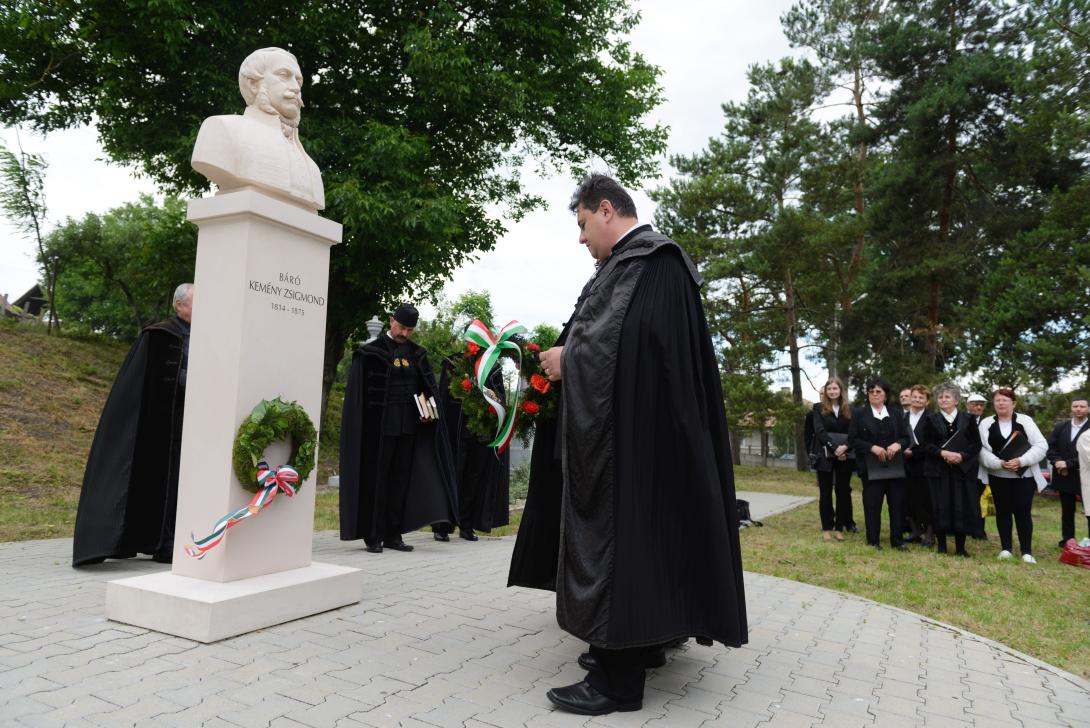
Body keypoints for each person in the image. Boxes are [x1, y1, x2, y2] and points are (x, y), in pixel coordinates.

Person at [536, 174, 746, 715]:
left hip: (634, 445)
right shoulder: (629, 267)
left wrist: (570, 360)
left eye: (583, 225)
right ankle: (640, 645)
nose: (581, 238)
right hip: (634, 438)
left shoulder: (652, 263)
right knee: (642, 546)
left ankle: (617, 683)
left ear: (606, 210)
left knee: (623, 544)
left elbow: (628, 353)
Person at [73, 283, 193, 566]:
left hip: (190, 423)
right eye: (198, 302)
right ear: (179, 305)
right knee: (161, 480)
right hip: (159, 425)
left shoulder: (204, 335)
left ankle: (170, 539)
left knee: (179, 482)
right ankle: (162, 544)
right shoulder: (160, 335)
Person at [339, 304, 457, 553]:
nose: (405, 333)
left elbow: (428, 390)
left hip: (409, 428)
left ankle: (394, 534)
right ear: (391, 321)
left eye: (410, 329)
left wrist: (429, 412)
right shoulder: (371, 353)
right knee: (377, 480)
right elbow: (359, 398)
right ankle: (373, 534)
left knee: (400, 482)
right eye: (402, 327)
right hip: (379, 431)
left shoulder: (417, 354)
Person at [192, 47, 324, 210]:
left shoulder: (312, 169)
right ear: (253, 83)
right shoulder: (221, 128)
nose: (296, 88)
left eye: (298, 81)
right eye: (284, 75)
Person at [433, 354, 510, 542]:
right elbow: (443, 395)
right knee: (452, 475)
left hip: (480, 430)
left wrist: (494, 396)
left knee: (474, 477)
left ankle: (466, 524)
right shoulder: (454, 363)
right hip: (455, 430)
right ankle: (443, 525)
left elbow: (501, 398)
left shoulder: (493, 367)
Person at [978, 388, 1048, 563]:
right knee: (1002, 512)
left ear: (1013, 403)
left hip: (1024, 476)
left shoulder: (1025, 421)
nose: (1001, 403)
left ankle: (1026, 552)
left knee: (1023, 512)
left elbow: (1041, 445)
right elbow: (980, 450)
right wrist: (998, 463)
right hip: (998, 475)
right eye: (997, 400)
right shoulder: (986, 423)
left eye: (1005, 400)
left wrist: (1021, 461)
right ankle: (1006, 549)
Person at [849, 377, 910, 551]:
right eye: (871, 391)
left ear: (885, 395)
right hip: (870, 468)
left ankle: (897, 541)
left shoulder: (897, 414)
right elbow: (853, 439)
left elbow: (906, 438)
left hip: (895, 468)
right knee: (872, 505)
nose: (874, 394)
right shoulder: (859, 414)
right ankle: (873, 541)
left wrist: (898, 444)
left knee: (897, 504)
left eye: (878, 391)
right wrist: (872, 447)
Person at [922, 383, 981, 556]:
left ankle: (961, 548)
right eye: (940, 397)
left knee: (960, 507)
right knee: (940, 506)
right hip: (937, 471)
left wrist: (961, 456)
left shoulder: (969, 419)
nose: (943, 400)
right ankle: (941, 546)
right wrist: (943, 453)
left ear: (956, 400)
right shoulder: (930, 419)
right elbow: (926, 445)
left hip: (961, 471)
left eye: (947, 397)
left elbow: (976, 444)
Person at [811, 377, 855, 541]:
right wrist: (834, 448)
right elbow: (819, 431)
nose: (832, 392)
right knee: (825, 492)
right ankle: (826, 527)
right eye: (829, 389)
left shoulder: (850, 409)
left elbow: (853, 432)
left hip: (845, 455)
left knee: (842, 492)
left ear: (840, 390)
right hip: (825, 455)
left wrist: (845, 447)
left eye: (835, 388)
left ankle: (839, 528)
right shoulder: (818, 408)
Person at [1046, 397, 1090, 547]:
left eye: (1082, 406)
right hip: (1063, 474)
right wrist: (1057, 462)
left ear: (1088, 409)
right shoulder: (1060, 427)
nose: (1079, 409)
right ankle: (1067, 540)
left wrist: (1068, 464)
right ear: (1071, 408)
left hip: (1086, 475)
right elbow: (1050, 447)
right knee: (1067, 511)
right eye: (1076, 406)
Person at [902, 384, 935, 546]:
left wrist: (914, 453)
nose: (917, 399)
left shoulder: (932, 419)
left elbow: (933, 443)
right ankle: (915, 531)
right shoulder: (902, 417)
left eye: (921, 397)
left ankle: (930, 534)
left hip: (925, 465)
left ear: (927, 401)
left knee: (926, 500)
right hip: (905, 465)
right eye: (914, 396)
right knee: (908, 499)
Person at [965, 393, 989, 540]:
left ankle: (978, 530)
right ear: (968, 405)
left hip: (981, 467)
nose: (978, 407)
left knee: (981, 499)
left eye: (981, 405)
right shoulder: (961, 420)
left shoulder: (987, 423)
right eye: (975, 404)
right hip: (963, 465)